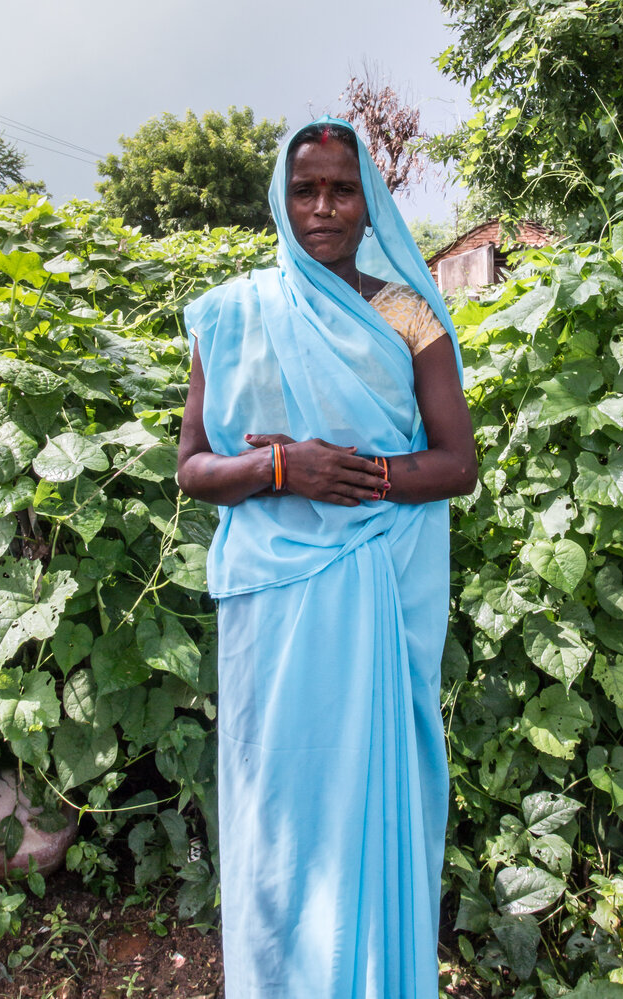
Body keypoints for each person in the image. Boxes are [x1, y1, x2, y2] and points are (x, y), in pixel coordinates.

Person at [177, 117, 477, 999]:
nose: (322, 207)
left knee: (365, 804)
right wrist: (281, 465)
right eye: (305, 188)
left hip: (370, 601)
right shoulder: (233, 314)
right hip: (273, 607)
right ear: (281, 195)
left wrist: (354, 473)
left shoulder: (408, 313)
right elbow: (194, 466)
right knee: (279, 805)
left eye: (340, 189)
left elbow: (456, 463)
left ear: (367, 200)